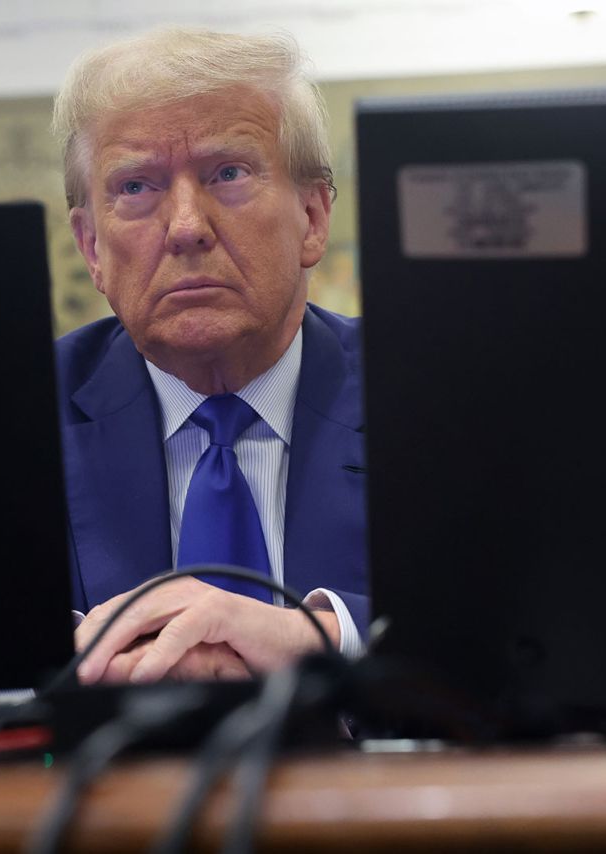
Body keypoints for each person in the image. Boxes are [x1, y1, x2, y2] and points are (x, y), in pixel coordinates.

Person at [52, 27, 367, 685]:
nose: (187, 227)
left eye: (228, 173)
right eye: (137, 187)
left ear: (312, 217)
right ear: (91, 248)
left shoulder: (429, 393)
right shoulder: (14, 413)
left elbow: (526, 614)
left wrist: (320, 636)